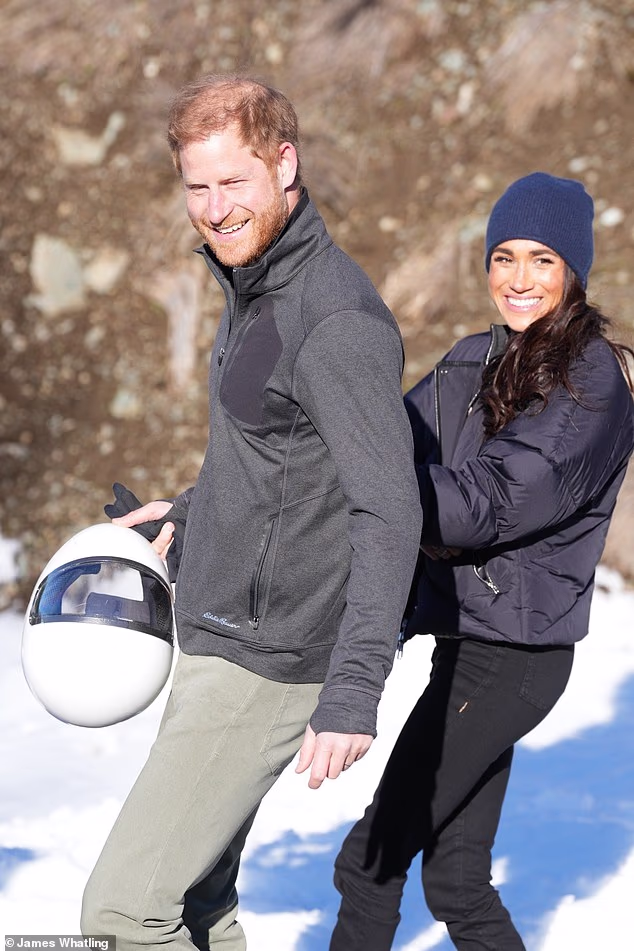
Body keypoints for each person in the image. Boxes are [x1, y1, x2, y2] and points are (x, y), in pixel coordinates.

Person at [79, 75, 422, 950]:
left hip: (267, 665)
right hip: (219, 636)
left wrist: (353, 690)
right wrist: (190, 514)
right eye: (197, 186)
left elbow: (388, 509)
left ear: (285, 163)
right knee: (195, 904)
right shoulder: (258, 283)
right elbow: (272, 455)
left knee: (121, 915)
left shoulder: (334, 318)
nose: (213, 207)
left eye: (233, 182)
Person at [329, 172, 634, 950]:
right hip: (467, 647)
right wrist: (201, 504)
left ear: (573, 269)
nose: (519, 279)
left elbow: (491, 501)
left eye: (541, 259)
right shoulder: (472, 361)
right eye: (504, 257)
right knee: (455, 880)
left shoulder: (590, 382)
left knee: (369, 863)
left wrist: (380, 490)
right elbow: (366, 447)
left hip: (514, 659)